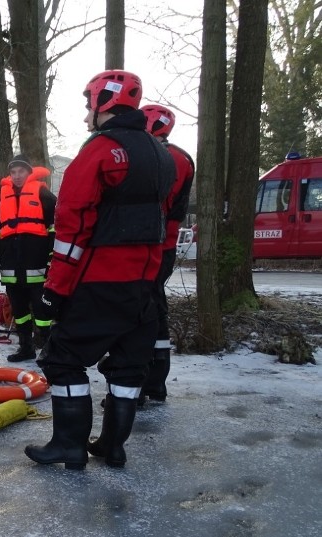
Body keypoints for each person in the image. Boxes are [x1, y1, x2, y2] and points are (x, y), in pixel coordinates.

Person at [25, 69, 175, 470]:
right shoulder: (162, 154)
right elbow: (166, 220)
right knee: (128, 365)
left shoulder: (99, 151)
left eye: (89, 104)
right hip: (145, 284)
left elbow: (72, 229)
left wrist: (54, 291)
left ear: (103, 102)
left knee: (62, 358)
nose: (86, 114)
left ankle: (69, 446)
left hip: (101, 280)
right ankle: (112, 445)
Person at [139, 104, 196, 404]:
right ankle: (155, 382)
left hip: (152, 246)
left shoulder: (166, 156)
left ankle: (139, 382)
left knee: (141, 312)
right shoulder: (180, 156)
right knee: (154, 309)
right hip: (163, 245)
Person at [0, 155, 57, 362]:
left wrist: (53, 259)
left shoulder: (44, 195)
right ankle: (26, 348)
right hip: (11, 270)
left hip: (38, 268)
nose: (16, 176)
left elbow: (57, 230)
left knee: (43, 313)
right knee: (19, 311)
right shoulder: (2, 200)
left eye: (21, 172)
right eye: (13, 172)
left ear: (29, 173)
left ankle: (49, 349)